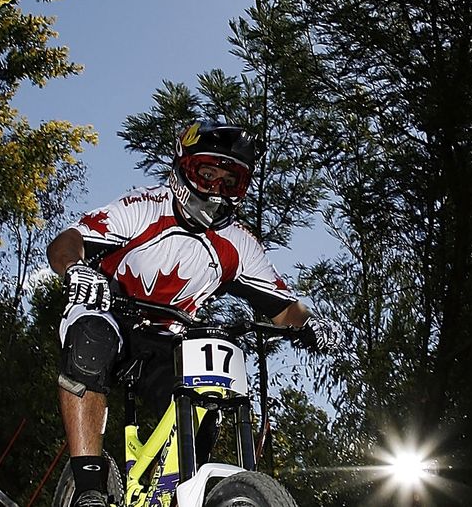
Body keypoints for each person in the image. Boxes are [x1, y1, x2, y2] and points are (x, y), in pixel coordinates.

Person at [47, 120, 339, 507]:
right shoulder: (143, 207)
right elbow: (69, 240)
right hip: (109, 311)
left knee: (208, 395)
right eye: (207, 173)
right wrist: (76, 268)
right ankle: (87, 490)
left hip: (168, 335)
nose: (216, 189)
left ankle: (175, 492)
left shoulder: (238, 243)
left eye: (229, 181)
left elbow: (284, 306)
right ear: (185, 170)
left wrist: (311, 323)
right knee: (91, 341)